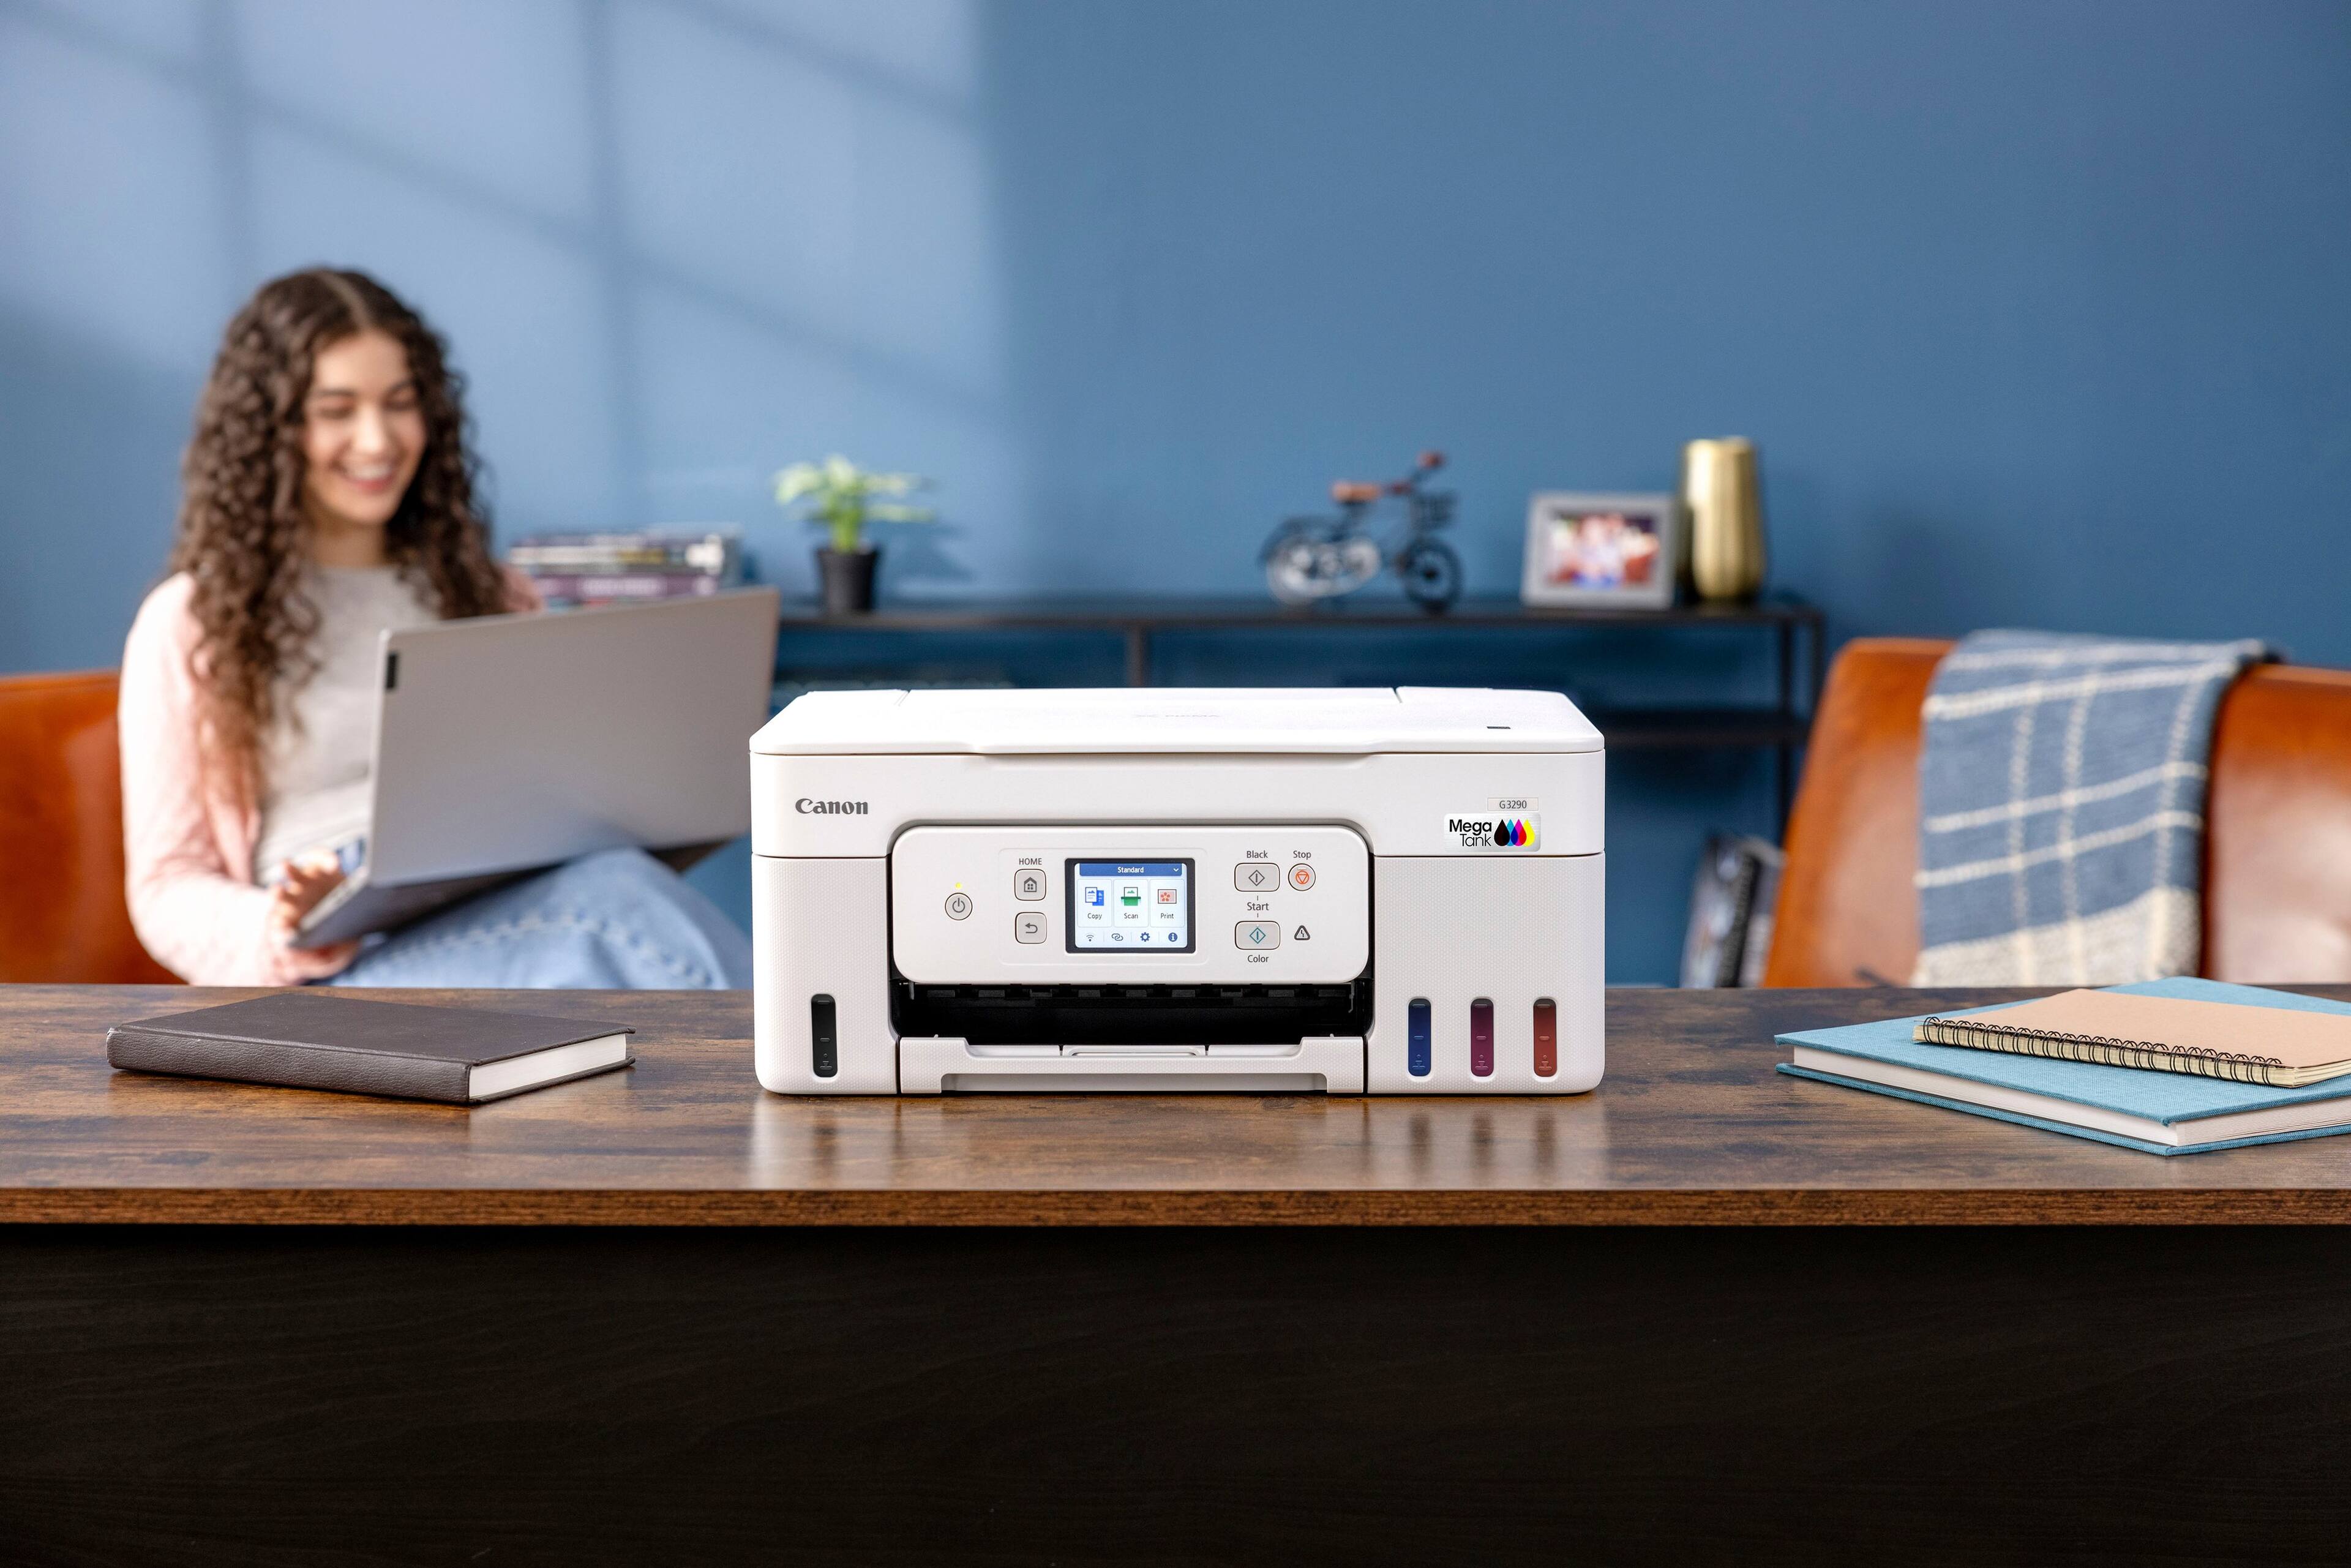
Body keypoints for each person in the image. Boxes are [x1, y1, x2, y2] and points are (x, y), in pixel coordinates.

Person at [119, 268, 751, 989]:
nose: (377, 439)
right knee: (612, 913)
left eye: (400, 403)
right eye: (336, 409)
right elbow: (166, 886)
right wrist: (282, 925)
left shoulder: (492, 593)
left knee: (612, 888)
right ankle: (811, 1072)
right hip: (328, 968)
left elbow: (550, 796)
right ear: (272, 429)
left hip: (509, 913)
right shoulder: (191, 623)